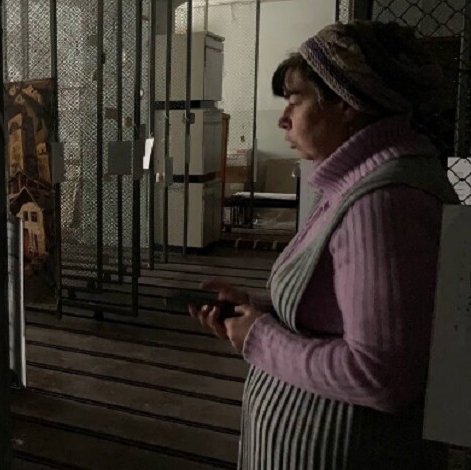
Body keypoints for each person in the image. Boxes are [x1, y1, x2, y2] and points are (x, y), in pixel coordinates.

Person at [189, 20, 459, 470]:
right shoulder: (364, 183)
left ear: (347, 103)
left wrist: (259, 337)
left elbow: (381, 376)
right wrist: (258, 309)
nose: (283, 118)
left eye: (296, 99)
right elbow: (346, 312)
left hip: (340, 450)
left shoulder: (382, 203)